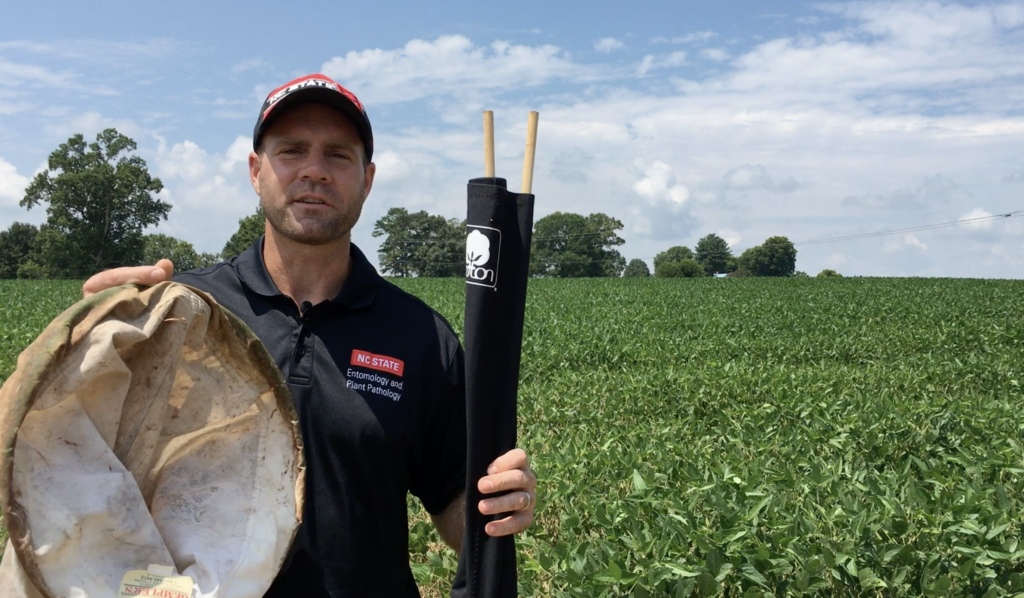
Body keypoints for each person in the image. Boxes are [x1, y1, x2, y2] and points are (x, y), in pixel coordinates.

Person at [83, 73, 537, 597]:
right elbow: (84, 460)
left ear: (367, 180)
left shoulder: (420, 337)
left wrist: (499, 505)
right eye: (292, 151)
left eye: (338, 155)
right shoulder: (182, 317)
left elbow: (456, 508)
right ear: (257, 172)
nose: (315, 171)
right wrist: (91, 345)